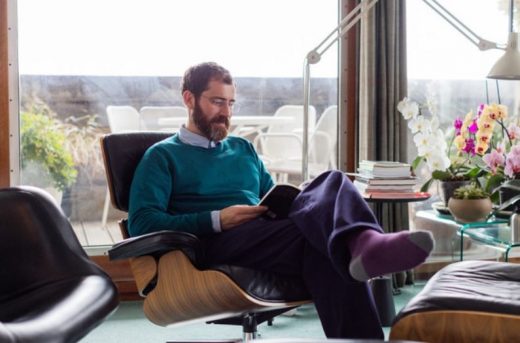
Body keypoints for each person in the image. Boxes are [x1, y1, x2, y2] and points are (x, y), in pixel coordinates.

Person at [128, 62, 434, 339]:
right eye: (217, 101)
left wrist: (299, 200)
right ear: (189, 99)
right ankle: (365, 245)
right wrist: (218, 219)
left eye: (231, 103)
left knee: (331, 184)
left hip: (263, 233)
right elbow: (142, 222)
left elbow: (273, 196)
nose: (226, 112)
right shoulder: (162, 156)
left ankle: (362, 248)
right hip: (215, 242)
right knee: (328, 244)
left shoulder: (243, 149)